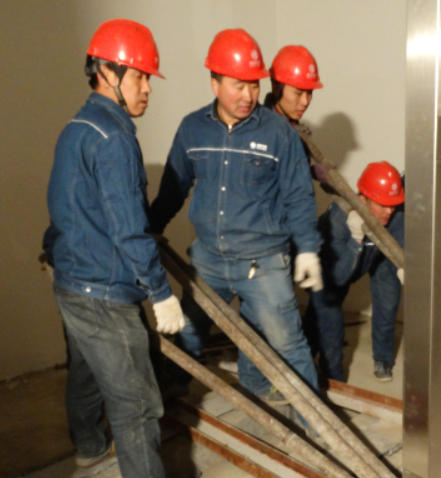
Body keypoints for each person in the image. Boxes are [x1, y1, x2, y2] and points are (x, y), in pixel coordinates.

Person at [149, 29, 323, 409]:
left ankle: (315, 426)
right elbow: (172, 190)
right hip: (208, 260)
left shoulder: (280, 134)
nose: (248, 96)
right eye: (238, 85)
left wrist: (308, 248)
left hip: (264, 263)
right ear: (214, 83)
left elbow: (298, 197)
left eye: (254, 85)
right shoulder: (192, 128)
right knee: (187, 334)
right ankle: (166, 402)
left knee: (289, 344)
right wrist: (149, 232)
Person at [42, 19, 184, 478]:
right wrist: (160, 293)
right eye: (139, 76)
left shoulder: (76, 127)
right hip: (104, 292)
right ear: (107, 72)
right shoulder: (115, 138)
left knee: (86, 371)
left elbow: (65, 204)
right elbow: (128, 230)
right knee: (137, 406)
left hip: (71, 281)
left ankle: (89, 445)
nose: (148, 88)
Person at [304, 161, 404, 382]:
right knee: (329, 326)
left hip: (377, 256)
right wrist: (356, 239)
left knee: (389, 301)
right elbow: (340, 276)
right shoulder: (338, 220)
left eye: (393, 205)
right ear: (363, 199)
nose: (389, 211)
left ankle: (383, 360)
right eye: (383, 205)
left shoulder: (394, 213)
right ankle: (331, 378)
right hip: (331, 269)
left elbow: (401, 243)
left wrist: (405, 266)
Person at [264, 45, 334, 190]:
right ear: (276, 87)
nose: (305, 102)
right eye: (298, 93)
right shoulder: (259, 131)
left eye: (309, 93)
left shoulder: (297, 129)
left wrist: (312, 172)